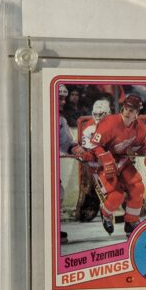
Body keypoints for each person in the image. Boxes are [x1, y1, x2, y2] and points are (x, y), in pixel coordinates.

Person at [79, 94, 146, 237]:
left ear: (137, 112)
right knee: (116, 196)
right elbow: (95, 145)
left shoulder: (140, 128)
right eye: (126, 108)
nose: (128, 112)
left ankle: (131, 222)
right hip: (102, 164)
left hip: (122, 161)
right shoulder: (109, 123)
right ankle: (105, 214)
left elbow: (139, 147)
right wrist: (106, 158)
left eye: (132, 110)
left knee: (138, 187)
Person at [58, 84, 86, 243]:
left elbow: (66, 143)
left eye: (64, 98)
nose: (63, 102)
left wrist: (77, 150)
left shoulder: (60, 120)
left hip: (48, 168)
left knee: (58, 192)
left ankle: (52, 227)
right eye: (60, 98)